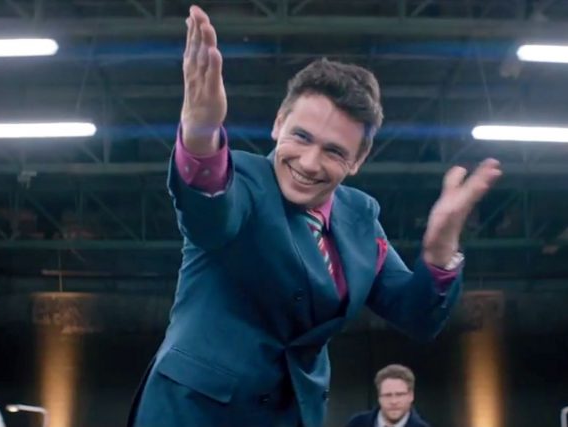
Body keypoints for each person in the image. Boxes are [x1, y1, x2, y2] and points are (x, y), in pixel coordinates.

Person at [127, 5, 502, 427]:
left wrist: (440, 251)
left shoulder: (361, 217)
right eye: (301, 137)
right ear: (278, 124)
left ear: (358, 160)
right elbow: (209, 213)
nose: (309, 162)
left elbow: (417, 315)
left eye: (334, 151)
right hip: (190, 412)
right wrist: (200, 134)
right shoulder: (242, 180)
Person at [345, 364, 429, 427]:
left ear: (411, 396)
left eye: (399, 395)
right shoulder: (357, 423)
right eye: (387, 395)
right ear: (379, 397)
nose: (393, 401)